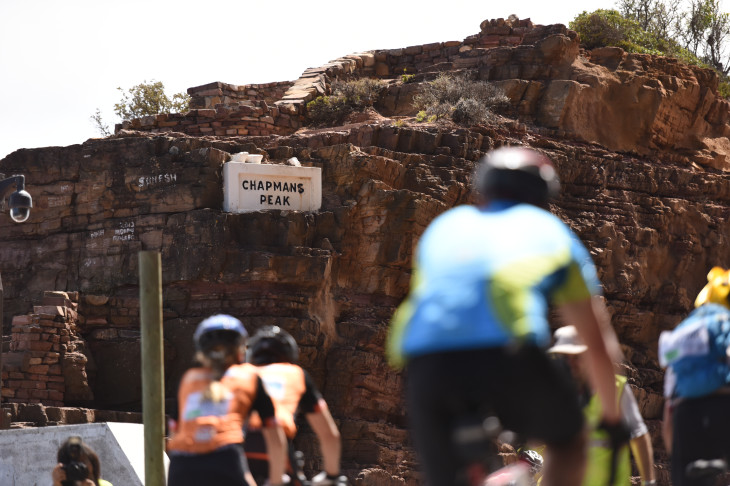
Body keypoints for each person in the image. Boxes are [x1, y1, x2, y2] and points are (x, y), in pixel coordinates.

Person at [386, 146, 628, 486]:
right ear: (543, 195)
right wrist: (613, 420)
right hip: (505, 352)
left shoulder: (446, 226)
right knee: (569, 440)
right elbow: (597, 341)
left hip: (425, 363)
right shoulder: (551, 231)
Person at [166, 314, 288, 486]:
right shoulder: (249, 377)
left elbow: (173, 432)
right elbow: (275, 438)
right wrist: (276, 482)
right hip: (225, 459)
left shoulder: (187, 379)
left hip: (181, 466)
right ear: (240, 349)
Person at [548, 325, 656, 486]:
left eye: (576, 357)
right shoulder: (554, 393)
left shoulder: (615, 388)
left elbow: (639, 436)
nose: (570, 363)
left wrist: (649, 482)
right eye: (564, 357)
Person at [245, 325, 343, 485]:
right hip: (275, 445)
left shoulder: (237, 374)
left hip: (231, 447)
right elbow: (329, 435)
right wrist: (332, 476)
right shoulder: (296, 374)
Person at [660, 266, 730, 486]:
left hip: (684, 417)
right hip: (722, 408)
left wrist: (677, 455)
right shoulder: (725, 323)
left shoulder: (682, 333)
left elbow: (669, 410)